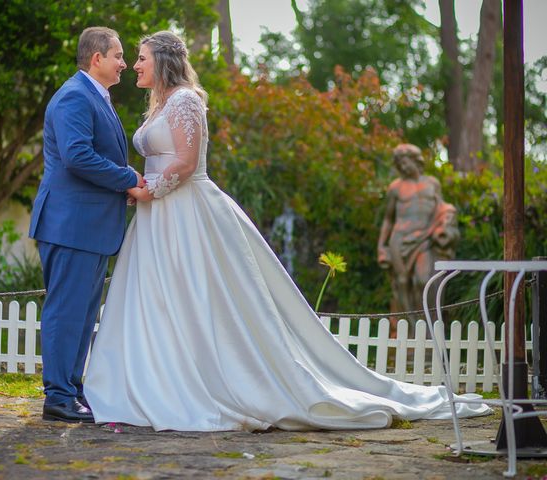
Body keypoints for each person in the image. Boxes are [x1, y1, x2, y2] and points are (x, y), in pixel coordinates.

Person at [83, 31, 487, 431]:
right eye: (133, 58)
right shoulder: (159, 105)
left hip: (187, 213)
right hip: (157, 217)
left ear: (163, 62)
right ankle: (158, 378)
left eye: (141, 58)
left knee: (198, 297)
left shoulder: (186, 100)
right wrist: (142, 190)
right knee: (157, 299)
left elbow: (187, 163)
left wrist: (148, 189)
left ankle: (206, 381)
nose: (135, 65)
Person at [29, 27, 144, 423]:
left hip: (90, 226)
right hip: (70, 224)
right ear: (97, 58)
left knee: (82, 313)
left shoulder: (97, 97)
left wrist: (122, 182)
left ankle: (72, 390)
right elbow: (77, 157)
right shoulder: (75, 97)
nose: (125, 63)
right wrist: (128, 179)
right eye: (118, 55)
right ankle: (58, 397)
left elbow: (92, 157)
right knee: (66, 311)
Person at [377, 144, 459, 323]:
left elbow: (442, 208)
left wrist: (446, 221)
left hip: (424, 239)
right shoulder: (395, 188)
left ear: (415, 160)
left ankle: (428, 325)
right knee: (402, 282)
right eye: (400, 165)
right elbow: (388, 219)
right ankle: (411, 325)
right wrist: (381, 246)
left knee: (423, 280)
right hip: (399, 240)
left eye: (405, 163)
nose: (403, 167)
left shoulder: (432, 183)